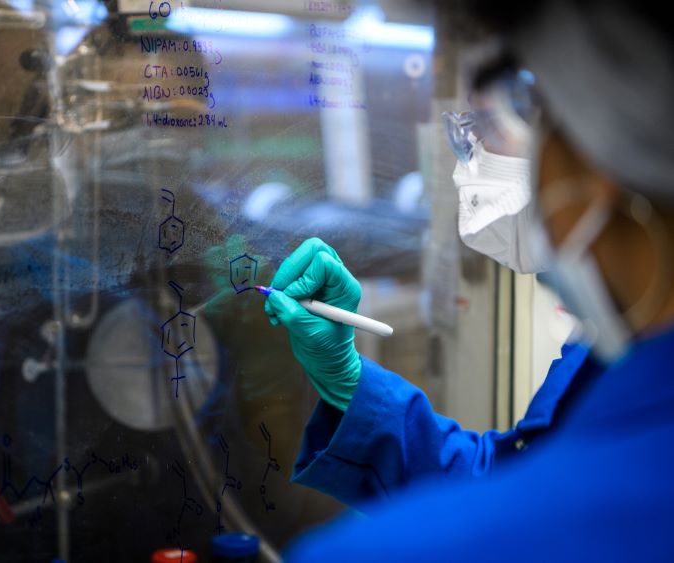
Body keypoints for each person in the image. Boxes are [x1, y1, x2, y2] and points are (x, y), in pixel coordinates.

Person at [264, 1, 674, 560]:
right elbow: (515, 482)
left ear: (595, 167)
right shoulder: (614, 350)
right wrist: (349, 382)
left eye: (528, 112)